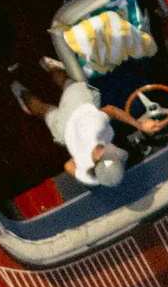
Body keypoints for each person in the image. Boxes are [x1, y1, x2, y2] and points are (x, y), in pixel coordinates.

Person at [18, 58, 129, 189]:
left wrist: (139, 124)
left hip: (74, 110)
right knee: (43, 110)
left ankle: (49, 65)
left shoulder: (99, 129)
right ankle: (18, 90)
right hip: (63, 130)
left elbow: (110, 110)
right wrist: (78, 154)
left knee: (67, 84)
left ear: (100, 156)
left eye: (113, 154)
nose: (115, 148)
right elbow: (69, 166)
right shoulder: (91, 178)